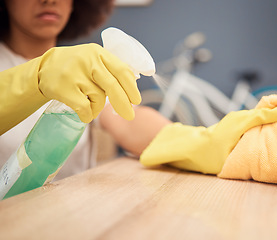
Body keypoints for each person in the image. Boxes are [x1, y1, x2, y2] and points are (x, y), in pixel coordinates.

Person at [0, 0, 171, 179]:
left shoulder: (80, 66)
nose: (50, 0)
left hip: (72, 205)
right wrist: (36, 77)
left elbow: (128, 122)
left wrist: (190, 140)